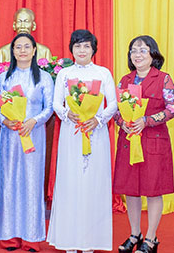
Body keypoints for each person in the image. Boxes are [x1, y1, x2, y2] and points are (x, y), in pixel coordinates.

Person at [47, 29, 117, 253]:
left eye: (87, 46)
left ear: (94, 49)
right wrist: (67, 114)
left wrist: (98, 119)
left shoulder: (103, 73)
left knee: (93, 184)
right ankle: (69, 241)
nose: (82, 50)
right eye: (78, 46)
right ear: (72, 49)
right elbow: (56, 103)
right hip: (72, 133)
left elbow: (113, 103)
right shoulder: (64, 74)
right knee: (70, 183)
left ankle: (90, 243)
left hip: (96, 134)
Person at [112, 35, 174, 253]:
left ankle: (151, 238)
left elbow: (173, 108)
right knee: (131, 189)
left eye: (142, 50)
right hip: (129, 140)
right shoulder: (125, 80)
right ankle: (135, 234)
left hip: (153, 142)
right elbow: (115, 111)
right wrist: (123, 122)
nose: (137, 55)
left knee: (153, 190)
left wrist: (146, 120)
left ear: (153, 54)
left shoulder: (163, 79)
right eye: (133, 50)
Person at [0, 33, 54, 251]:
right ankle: (9, 236)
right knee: (9, 181)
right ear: (12, 51)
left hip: (33, 136)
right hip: (10, 136)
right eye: (18, 47)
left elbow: (49, 108)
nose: (22, 50)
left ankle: (31, 237)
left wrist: (34, 121)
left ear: (34, 50)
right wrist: (4, 121)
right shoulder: (4, 78)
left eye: (26, 46)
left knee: (32, 182)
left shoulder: (44, 78)